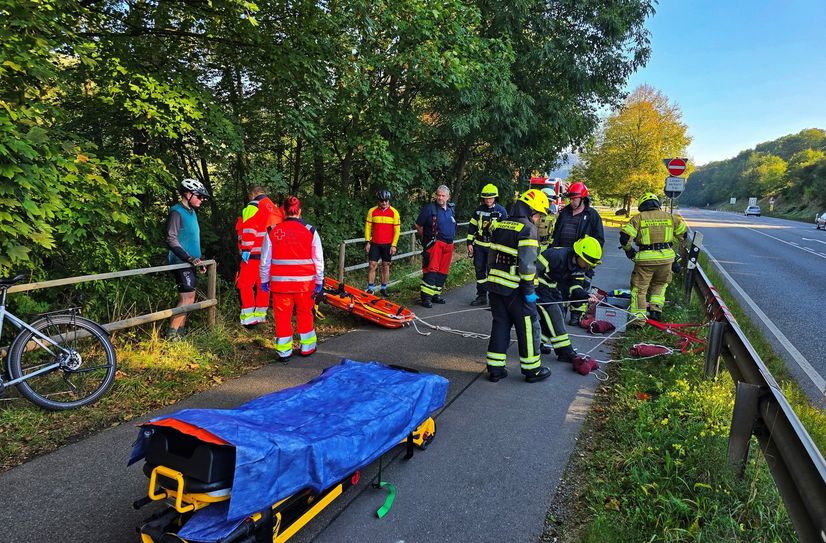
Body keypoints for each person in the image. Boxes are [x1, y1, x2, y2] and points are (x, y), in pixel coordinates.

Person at [484, 189, 552, 383]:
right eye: (539, 214)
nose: (539, 219)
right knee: (528, 327)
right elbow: (527, 264)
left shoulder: (500, 224)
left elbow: (491, 258)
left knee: (500, 324)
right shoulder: (527, 229)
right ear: (532, 211)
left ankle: (495, 369)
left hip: (496, 285)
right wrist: (529, 291)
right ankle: (532, 370)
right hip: (517, 289)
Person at [259, 196, 324, 362]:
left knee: (282, 317)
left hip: (281, 285)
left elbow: (265, 261)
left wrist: (264, 280)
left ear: (283, 211)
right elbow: (318, 260)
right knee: (305, 313)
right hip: (305, 284)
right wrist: (319, 281)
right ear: (300, 211)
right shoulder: (310, 230)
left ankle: (284, 352)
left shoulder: (272, 231)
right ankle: (307, 347)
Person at [619, 192, 687, 324]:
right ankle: (656, 311)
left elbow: (625, 238)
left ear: (642, 206)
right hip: (666, 259)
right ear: (657, 204)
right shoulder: (671, 217)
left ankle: (638, 321)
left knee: (639, 289)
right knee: (660, 284)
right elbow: (683, 235)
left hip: (645, 260)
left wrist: (629, 251)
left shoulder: (638, 218)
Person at [535, 237, 603, 361]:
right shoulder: (555, 256)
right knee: (554, 315)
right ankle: (565, 352)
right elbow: (532, 271)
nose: (588, 266)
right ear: (578, 254)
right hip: (537, 286)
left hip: (553, 287)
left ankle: (537, 343)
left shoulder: (580, 266)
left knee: (559, 314)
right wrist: (530, 293)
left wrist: (586, 296)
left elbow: (574, 286)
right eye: (587, 262)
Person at [550, 181, 605, 326]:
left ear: (583, 198)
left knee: (579, 287)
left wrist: (590, 257)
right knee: (561, 286)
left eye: (574, 198)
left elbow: (599, 239)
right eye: (570, 198)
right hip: (563, 257)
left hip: (581, 258)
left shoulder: (592, 215)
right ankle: (560, 313)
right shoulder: (565, 213)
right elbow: (556, 233)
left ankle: (576, 314)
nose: (572, 201)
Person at [165, 178, 210, 339]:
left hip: (189, 261)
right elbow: (171, 239)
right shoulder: (177, 211)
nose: (202, 200)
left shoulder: (191, 212)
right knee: (186, 298)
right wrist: (189, 258)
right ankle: (171, 336)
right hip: (180, 261)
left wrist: (198, 260)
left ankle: (179, 333)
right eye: (199, 196)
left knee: (190, 298)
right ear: (188, 194)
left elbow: (191, 239)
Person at [236, 186, 283, 327]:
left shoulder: (253, 206)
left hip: (253, 255)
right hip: (269, 256)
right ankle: (261, 316)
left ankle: (248, 318)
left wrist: (246, 249)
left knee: (244, 284)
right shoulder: (274, 208)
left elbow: (250, 229)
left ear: (253, 194)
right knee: (263, 286)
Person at [466, 183, 508, 306]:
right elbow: (472, 227)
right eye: (486, 198)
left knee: (493, 272)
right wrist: (469, 243)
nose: (488, 200)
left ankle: (494, 299)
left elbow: (505, 232)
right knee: (480, 271)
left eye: (490, 198)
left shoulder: (501, 211)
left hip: (493, 247)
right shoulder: (478, 210)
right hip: (479, 245)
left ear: (495, 198)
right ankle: (481, 296)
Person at [415, 185, 456, 308]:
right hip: (435, 244)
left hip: (449, 244)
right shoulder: (429, 209)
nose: (440, 197)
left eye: (443, 195)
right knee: (431, 270)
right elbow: (418, 225)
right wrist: (427, 238)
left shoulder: (451, 209)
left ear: (448, 197)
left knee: (443, 271)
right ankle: (426, 298)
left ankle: (435, 295)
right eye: (438, 195)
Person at [364, 189, 401, 296]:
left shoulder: (394, 212)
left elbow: (397, 231)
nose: (384, 203)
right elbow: (368, 227)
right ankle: (370, 288)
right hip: (375, 243)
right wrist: (367, 242)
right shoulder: (372, 211)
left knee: (386, 265)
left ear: (389, 200)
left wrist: (394, 245)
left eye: (386, 200)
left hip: (388, 244)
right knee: (372, 265)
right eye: (382, 201)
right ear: (378, 201)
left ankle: (384, 288)